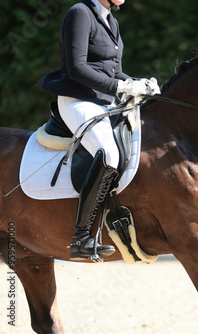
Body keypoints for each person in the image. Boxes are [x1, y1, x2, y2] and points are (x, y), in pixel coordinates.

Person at [37, 0, 159, 261]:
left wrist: (136, 83)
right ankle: (81, 237)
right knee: (108, 154)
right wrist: (119, 88)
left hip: (105, 100)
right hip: (78, 99)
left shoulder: (110, 20)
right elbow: (77, 68)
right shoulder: (80, 13)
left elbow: (112, 70)